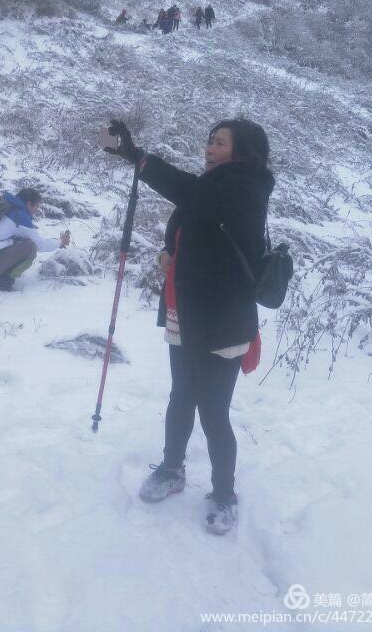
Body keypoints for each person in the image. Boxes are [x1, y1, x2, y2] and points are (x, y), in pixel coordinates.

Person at [104, 117, 274, 535]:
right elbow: (184, 233)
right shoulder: (211, 186)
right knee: (181, 395)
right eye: (210, 142)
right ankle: (172, 468)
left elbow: (191, 193)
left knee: (213, 409)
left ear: (242, 152)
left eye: (219, 143)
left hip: (224, 320)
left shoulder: (246, 186)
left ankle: (223, 493)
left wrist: (138, 158)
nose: (209, 149)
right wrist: (168, 256)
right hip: (186, 310)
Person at [0, 188, 70, 291]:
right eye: (37, 205)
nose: (37, 209)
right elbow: (40, 245)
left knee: (16, 241)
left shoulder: (4, 207)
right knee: (30, 247)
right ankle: (4, 280)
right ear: (28, 204)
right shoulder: (20, 217)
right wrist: (60, 242)